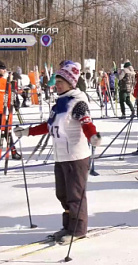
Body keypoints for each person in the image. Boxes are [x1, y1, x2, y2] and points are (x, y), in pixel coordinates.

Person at [13, 62, 101, 244]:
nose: (58, 84)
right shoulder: (60, 103)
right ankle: (68, 225)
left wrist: (93, 137)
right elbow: (49, 125)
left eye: (62, 81)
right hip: (61, 156)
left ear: (71, 83)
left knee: (75, 195)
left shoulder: (78, 102)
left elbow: (87, 124)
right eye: (57, 80)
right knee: (63, 193)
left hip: (76, 156)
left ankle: (78, 230)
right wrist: (27, 131)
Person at [0, 60, 21, 160]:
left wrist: (13, 105)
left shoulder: (5, 83)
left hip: (2, 113)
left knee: (7, 133)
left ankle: (13, 151)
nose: (4, 71)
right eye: (3, 69)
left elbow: (9, 97)